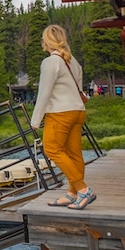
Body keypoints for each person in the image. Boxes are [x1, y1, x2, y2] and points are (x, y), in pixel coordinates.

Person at [30, 24, 94, 209]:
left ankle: (83, 190)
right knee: (74, 154)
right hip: (78, 111)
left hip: (60, 113)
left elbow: (44, 93)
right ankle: (72, 194)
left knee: (51, 149)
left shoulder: (50, 62)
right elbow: (79, 89)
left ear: (46, 42)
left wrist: (35, 121)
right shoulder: (73, 61)